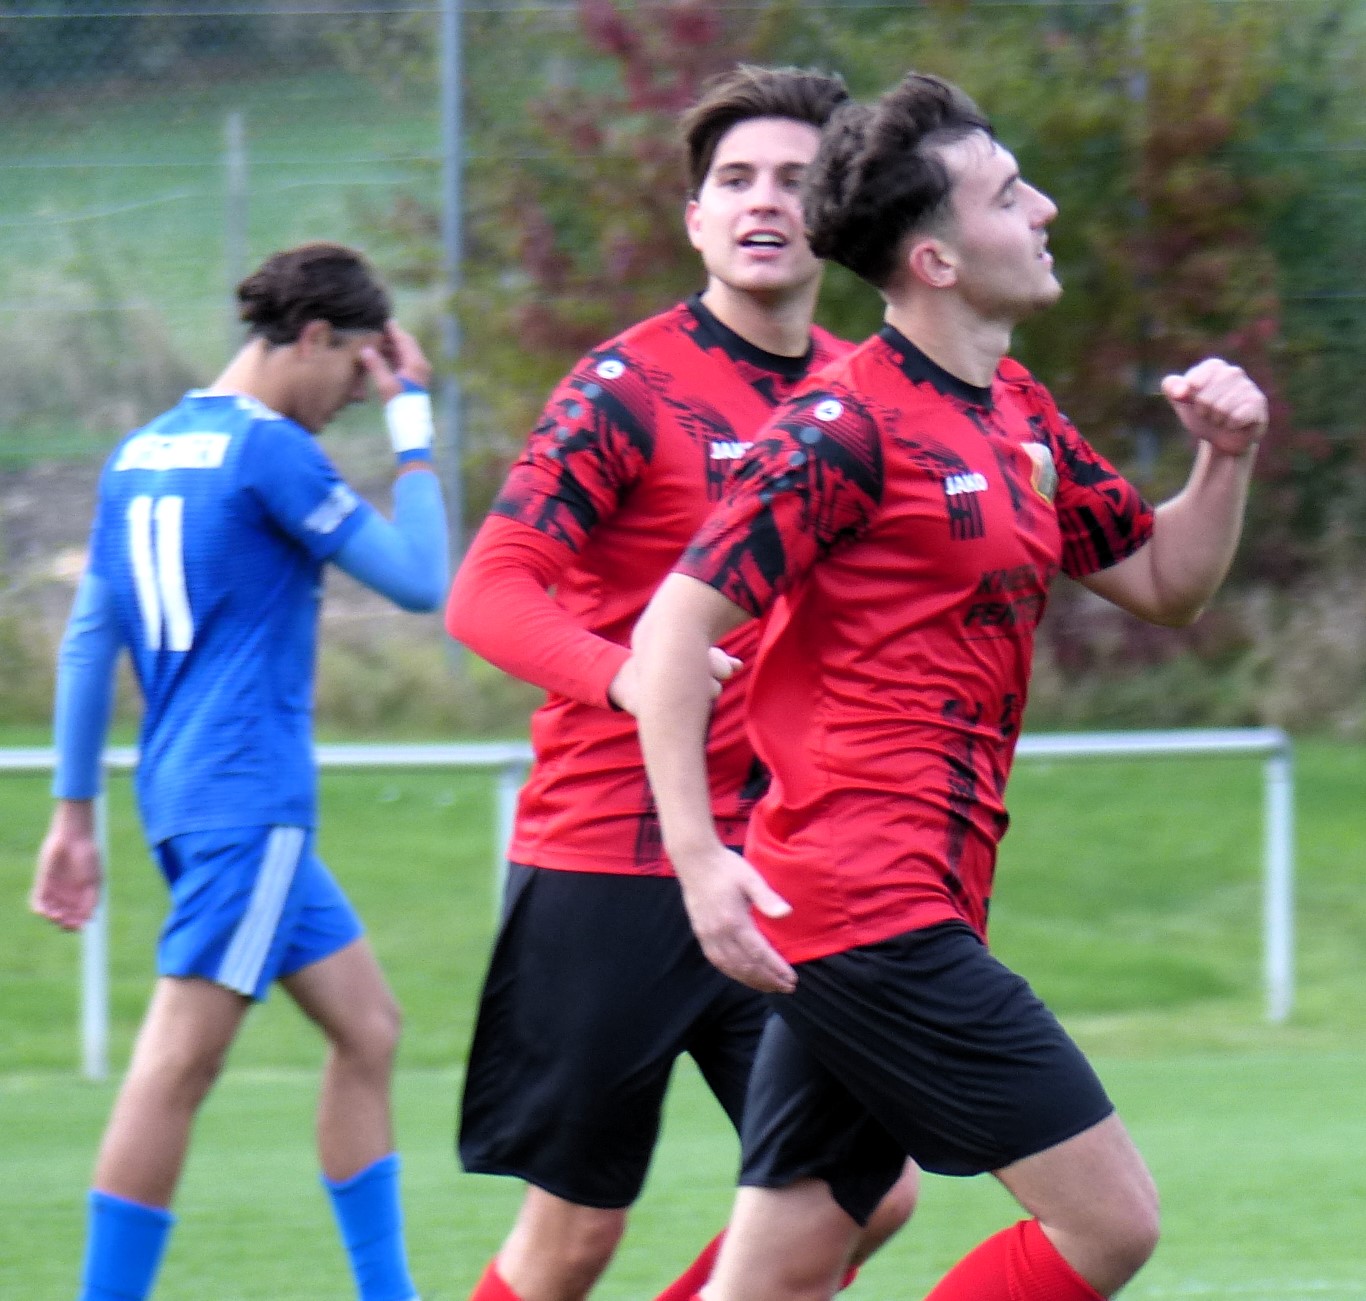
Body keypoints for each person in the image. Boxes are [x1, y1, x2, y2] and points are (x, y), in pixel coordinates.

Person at [632, 71, 1269, 1301]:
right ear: (934, 258)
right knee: (1108, 1221)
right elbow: (671, 633)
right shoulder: (840, 428)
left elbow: (1162, 580)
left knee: (779, 1268)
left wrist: (1223, 459)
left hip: (895, 898)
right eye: (1008, 194)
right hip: (864, 907)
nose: (1044, 209)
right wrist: (700, 863)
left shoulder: (1014, 408)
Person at [444, 64, 917, 1301]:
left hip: (782, 862)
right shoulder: (626, 387)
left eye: (795, 180)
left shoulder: (869, 390)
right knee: (573, 1237)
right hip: (613, 854)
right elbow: (487, 591)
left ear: (839, 213)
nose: (763, 201)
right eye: (734, 180)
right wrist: (635, 677)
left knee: (864, 1188)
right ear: (696, 217)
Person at [29, 241, 449, 1301]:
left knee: (369, 1027)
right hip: (249, 800)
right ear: (314, 336)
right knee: (177, 1065)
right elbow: (420, 580)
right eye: (355, 366)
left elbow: (87, 643)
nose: (356, 392)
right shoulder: (270, 452)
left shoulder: (141, 452)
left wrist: (72, 815)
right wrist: (413, 422)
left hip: (183, 796)